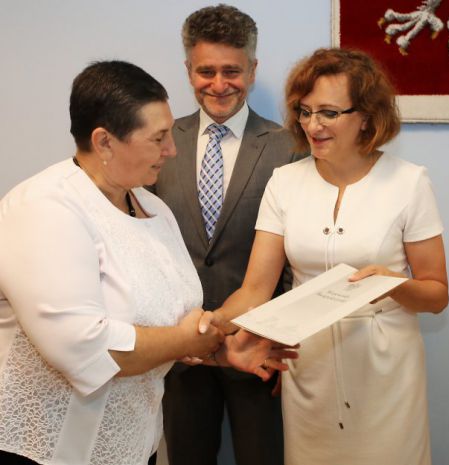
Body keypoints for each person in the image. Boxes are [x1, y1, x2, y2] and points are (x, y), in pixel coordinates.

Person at [0, 60, 295, 465]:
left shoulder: (151, 207)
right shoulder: (43, 208)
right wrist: (191, 341)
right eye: (158, 138)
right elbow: (83, 349)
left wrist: (218, 351)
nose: (172, 150)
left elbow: (169, 321)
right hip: (51, 448)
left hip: (134, 444)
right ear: (104, 142)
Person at [210, 47, 449, 465]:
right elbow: (254, 292)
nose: (312, 125)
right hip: (309, 369)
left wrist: (392, 285)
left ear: (367, 116)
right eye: (305, 112)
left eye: (328, 113)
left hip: (386, 371)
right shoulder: (284, 182)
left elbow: (436, 294)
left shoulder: (409, 182)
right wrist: (210, 326)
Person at [149, 4, 302, 465]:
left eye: (232, 71)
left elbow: (296, 257)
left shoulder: (288, 147)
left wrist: (283, 335)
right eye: (206, 71)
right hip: (179, 353)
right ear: (188, 70)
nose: (219, 84)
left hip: (258, 350)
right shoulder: (158, 144)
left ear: (252, 70)